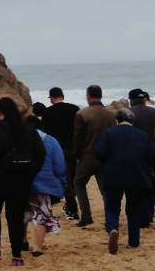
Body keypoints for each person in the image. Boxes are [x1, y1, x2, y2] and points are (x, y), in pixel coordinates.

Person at [0, 97, 46, 266]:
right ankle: (16, 255)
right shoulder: (28, 129)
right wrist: (31, 171)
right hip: (21, 178)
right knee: (15, 216)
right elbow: (40, 153)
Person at [95, 110, 155, 253]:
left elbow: (99, 152)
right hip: (136, 176)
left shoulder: (109, 133)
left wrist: (107, 164)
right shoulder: (142, 135)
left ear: (117, 120)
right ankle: (133, 242)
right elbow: (151, 156)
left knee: (112, 207)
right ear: (132, 121)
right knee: (133, 209)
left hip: (113, 175)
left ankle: (113, 229)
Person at [73, 85, 116, 228]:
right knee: (105, 190)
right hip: (105, 157)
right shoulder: (110, 114)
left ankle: (86, 216)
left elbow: (78, 138)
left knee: (79, 184)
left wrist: (77, 155)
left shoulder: (82, 114)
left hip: (88, 156)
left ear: (88, 96)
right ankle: (110, 218)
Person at [40, 86, 80, 219]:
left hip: (55, 150)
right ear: (63, 96)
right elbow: (79, 130)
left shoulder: (47, 112)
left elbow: (45, 134)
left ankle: (71, 208)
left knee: (63, 179)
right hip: (73, 149)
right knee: (73, 178)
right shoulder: (74, 109)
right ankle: (71, 203)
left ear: (51, 98)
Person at [26, 127, 66, 257]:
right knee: (42, 214)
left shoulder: (18, 139)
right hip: (43, 183)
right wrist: (61, 181)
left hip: (21, 182)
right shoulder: (50, 141)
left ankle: (22, 242)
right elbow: (59, 165)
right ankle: (37, 246)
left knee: (23, 213)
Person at [128, 89, 155, 227]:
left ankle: (142, 215)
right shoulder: (152, 112)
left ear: (131, 99)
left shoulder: (128, 113)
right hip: (151, 150)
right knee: (150, 183)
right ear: (144, 99)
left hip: (133, 153)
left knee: (135, 186)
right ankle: (150, 212)